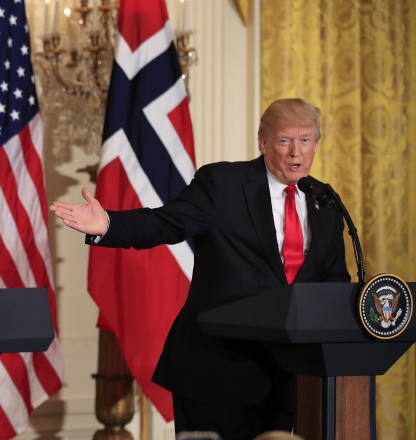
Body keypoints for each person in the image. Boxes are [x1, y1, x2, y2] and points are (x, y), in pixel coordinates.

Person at [50, 98, 350, 440]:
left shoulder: (326, 205)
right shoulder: (224, 183)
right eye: (284, 140)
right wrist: (107, 223)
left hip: (290, 378)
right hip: (215, 372)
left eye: (306, 139)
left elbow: (334, 285)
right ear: (263, 143)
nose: (296, 151)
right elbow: (166, 223)